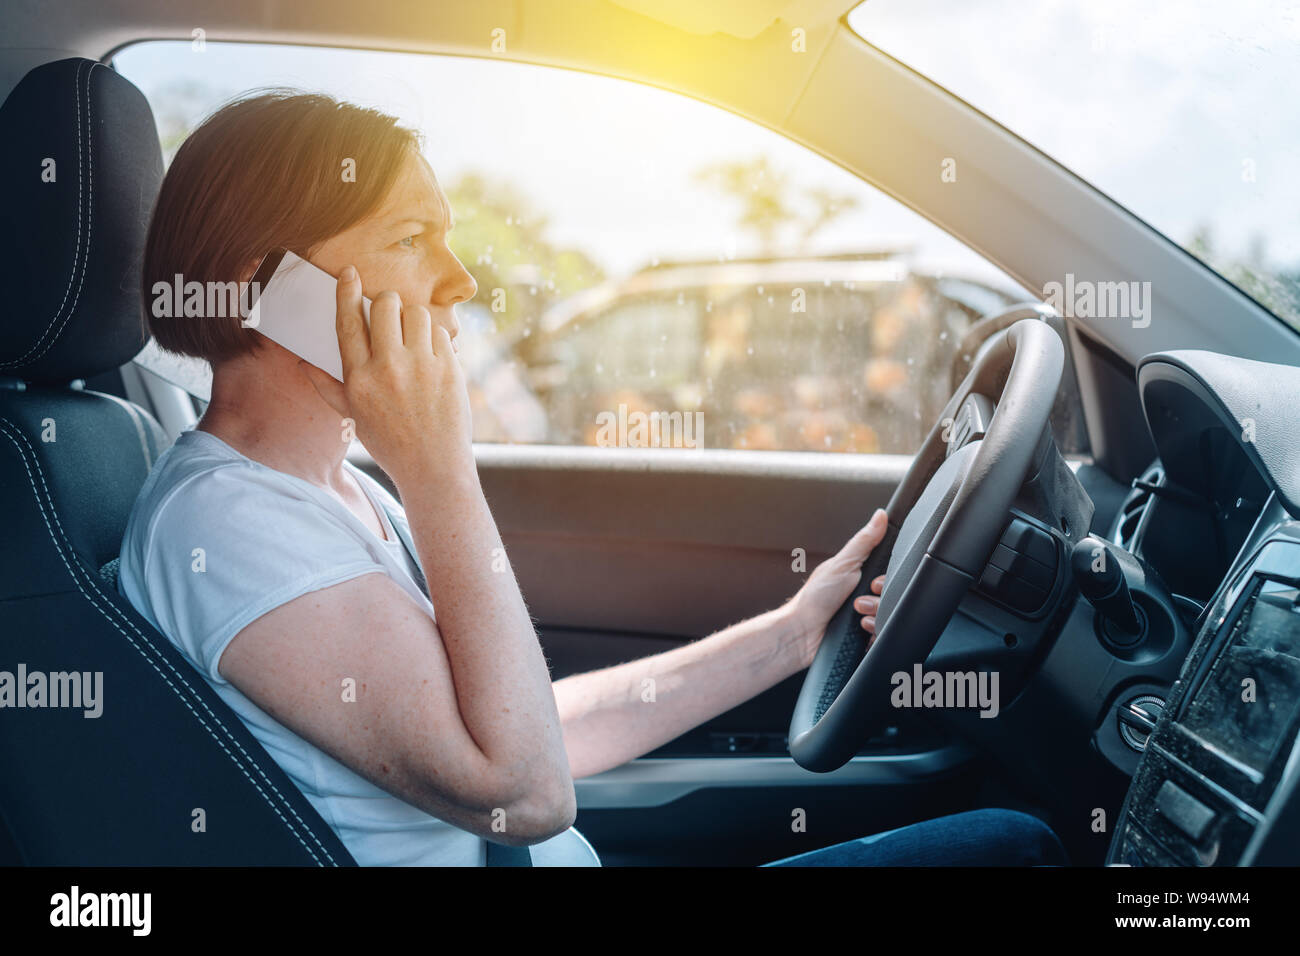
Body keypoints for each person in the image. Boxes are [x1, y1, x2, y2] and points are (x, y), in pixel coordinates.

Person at [118, 90, 1065, 867]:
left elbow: (529, 730)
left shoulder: (329, 485)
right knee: (1014, 850)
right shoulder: (229, 524)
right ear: (268, 286)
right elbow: (521, 790)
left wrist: (786, 639)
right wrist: (436, 462)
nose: (460, 282)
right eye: (411, 239)